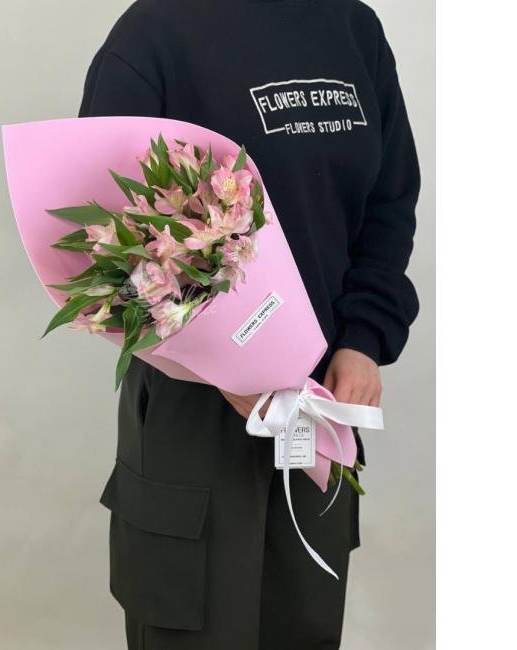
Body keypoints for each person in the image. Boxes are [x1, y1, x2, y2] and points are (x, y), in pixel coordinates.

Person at [78, 0, 419, 648]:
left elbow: (389, 203)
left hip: (319, 407)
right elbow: (104, 235)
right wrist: (221, 363)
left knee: (306, 625)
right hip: (194, 413)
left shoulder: (354, 29)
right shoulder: (155, 36)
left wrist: (363, 340)